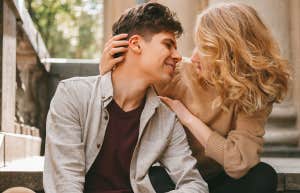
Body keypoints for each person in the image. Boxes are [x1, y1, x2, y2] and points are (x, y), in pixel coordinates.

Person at [100, 2, 290, 193]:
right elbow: (119, 107)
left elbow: (238, 163)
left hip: (219, 177)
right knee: (146, 179)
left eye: (206, 48)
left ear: (231, 54)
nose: (194, 56)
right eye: (197, 45)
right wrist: (108, 74)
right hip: (174, 176)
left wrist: (189, 118)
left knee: (262, 176)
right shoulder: (174, 72)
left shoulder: (253, 92)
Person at [43, 2, 208, 193]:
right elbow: (65, 184)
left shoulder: (166, 120)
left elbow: (195, 185)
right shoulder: (73, 96)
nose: (178, 56)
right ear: (136, 44)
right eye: (168, 44)